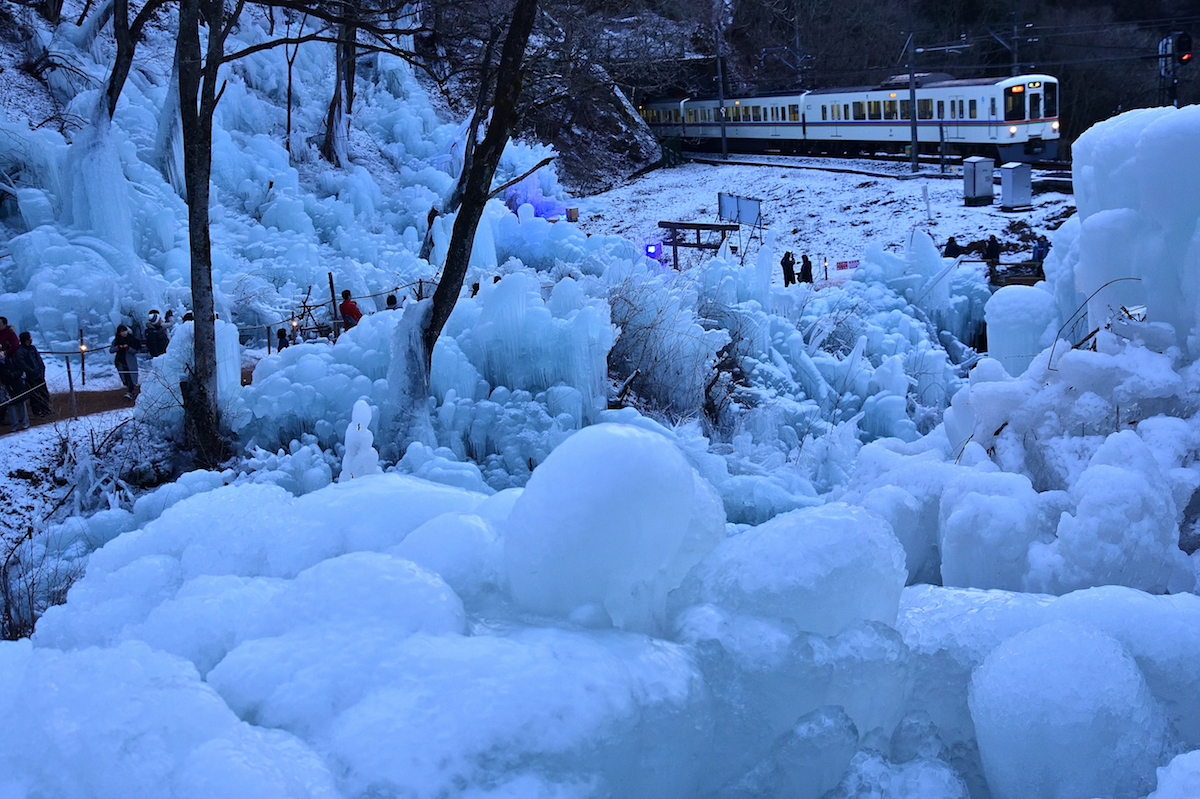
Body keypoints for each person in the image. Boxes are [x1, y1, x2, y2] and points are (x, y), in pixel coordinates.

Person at [16, 332, 50, 418]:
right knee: (34, 395)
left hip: (39, 375)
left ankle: (45, 408)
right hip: (31, 377)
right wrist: (32, 372)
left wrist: (42, 369)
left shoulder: (32, 348)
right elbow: (22, 364)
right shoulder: (20, 351)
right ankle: (37, 410)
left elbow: (38, 359)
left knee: (43, 392)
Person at [109, 324, 142, 400]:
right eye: (122, 331)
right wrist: (118, 347)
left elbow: (135, 350)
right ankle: (130, 390)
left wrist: (128, 348)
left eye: (125, 330)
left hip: (130, 362)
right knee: (125, 377)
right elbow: (111, 350)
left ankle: (131, 391)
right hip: (121, 361)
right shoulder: (116, 340)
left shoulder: (132, 339)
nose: (124, 333)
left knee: (130, 377)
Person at [0, 348, 29, 432]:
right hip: (6, 388)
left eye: (1, 352)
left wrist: (13, 375)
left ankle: (25, 423)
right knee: (10, 406)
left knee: (21, 404)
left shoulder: (11, 360)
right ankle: (14, 426)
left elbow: (20, 370)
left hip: (17, 385)